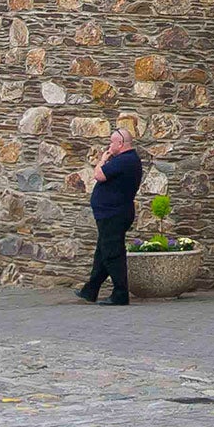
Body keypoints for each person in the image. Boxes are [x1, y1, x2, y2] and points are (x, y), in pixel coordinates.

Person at [76, 127, 143, 306]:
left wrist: (102, 160)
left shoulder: (125, 160)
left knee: (113, 254)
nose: (109, 145)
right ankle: (91, 289)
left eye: (112, 142)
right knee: (102, 252)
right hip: (112, 212)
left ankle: (120, 293)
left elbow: (99, 175)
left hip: (114, 213)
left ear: (120, 144)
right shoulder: (126, 159)